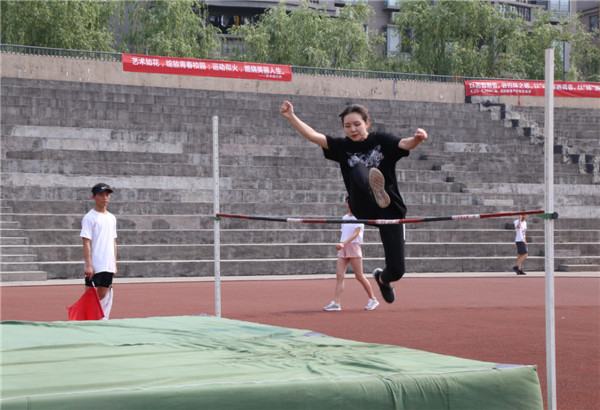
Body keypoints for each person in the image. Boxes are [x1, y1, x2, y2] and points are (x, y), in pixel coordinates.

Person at [280, 100, 428, 304]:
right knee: (358, 168)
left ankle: (382, 279)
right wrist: (291, 117)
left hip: (389, 208)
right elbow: (314, 136)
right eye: (347, 126)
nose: (352, 129)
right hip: (362, 204)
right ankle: (372, 189)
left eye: (357, 124)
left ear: (367, 123)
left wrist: (417, 139)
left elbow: (404, 144)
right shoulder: (342, 146)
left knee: (397, 270)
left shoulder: (381, 139)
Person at [324, 197, 379, 311]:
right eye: (347, 202)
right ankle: (336, 303)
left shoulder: (359, 217)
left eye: (351, 203)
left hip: (353, 246)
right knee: (340, 276)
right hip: (343, 247)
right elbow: (344, 233)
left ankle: (373, 299)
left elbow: (355, 234)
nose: (349, 205)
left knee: (359, 276)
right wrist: (342, 244)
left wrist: (343, 243)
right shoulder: (344, 217)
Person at [80, 183, 117, 319]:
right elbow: (86, 242)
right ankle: (83, 318)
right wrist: (89, 265)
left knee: (103, 294)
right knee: (90, 296)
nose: (104, 198)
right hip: (95, 264)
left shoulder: (111, 218)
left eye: (107, 195)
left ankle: (99, 318)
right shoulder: (89, 217)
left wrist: (114, 263)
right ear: (94, 197)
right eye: (101, 195)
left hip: (108, 263)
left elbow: (113, 241)